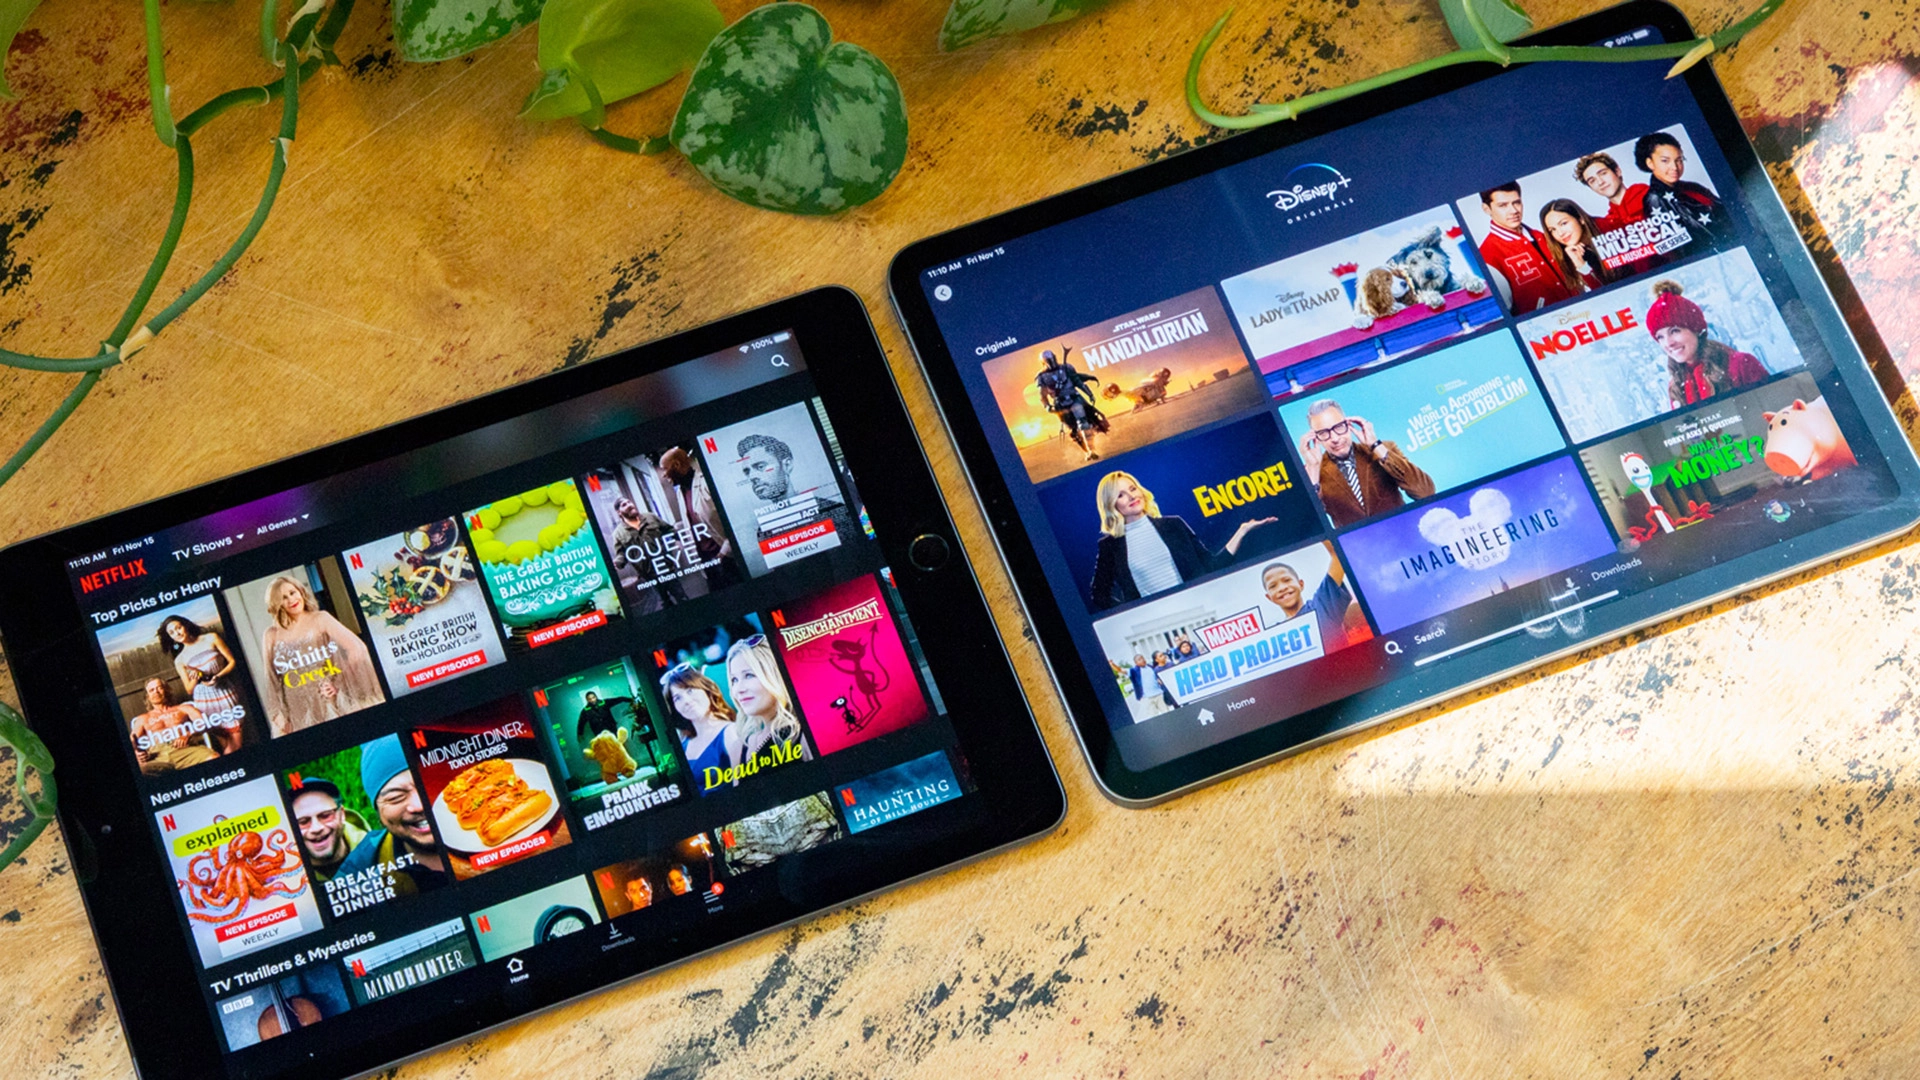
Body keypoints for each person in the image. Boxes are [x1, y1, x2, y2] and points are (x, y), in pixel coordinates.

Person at [1086, 471, 1276, 610]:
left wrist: (1242, 531)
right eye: (1120, 495)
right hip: (1161, 622)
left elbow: (1210, 565)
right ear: (1111, 505)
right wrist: (1132, 611)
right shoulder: (1109, 546)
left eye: (1132, 489)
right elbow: (1099, 594)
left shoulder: (1173, 525)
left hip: (1202, 606)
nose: (1131, 496)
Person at [257, 574, 385, 735]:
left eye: (292, 592)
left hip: (327, 702)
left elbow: (357, 649)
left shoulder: (321, 618)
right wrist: (277, 715)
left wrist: (338, 682)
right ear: (276, 603)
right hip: (296, 710)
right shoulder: (271, 635)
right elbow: (271, 678)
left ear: (300, 591)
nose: (291, 600)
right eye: (283, 597)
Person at [1297, 400, 1435, 528]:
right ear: (1315, 438)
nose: (1334, 438)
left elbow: (1426, 492)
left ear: (1348, 424)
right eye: (1323, 433)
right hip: (1359, 544)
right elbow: (1311, 527)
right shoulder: (1312, 473)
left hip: (1404, 532)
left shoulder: (1384, 449)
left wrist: (1375, 445)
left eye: (1338, 427)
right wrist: (1313, 472)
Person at [335, 736, 446, 894]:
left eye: (429, 783)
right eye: (396, 797)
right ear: (378, 811)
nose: (420, 805)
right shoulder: (357, 875)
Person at [1644, 280, 1768, 407]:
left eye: (1675, 331)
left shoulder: (1741, 364)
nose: (1668, 343)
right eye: (1660, 337)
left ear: (1695, 329)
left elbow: (1773, 407)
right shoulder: (1675, 386)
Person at [734, 431, 857, 546]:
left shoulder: (834, 511)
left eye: (761, 466)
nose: (752, 477)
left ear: (787, 465)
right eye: (747, 472)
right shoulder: (764, 532)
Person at [1477, 182, 1575, 313]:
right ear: (1487, 209)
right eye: (1503, 205)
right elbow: (1504, 310)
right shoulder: (1487, 255)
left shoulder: (1542, 236)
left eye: (1516, 202)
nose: (1514, 211)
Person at [158, 615, 248, 750]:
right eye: (172, 633)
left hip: (225, 691)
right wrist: (195, 677)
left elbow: (232, 661)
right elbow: (189, 689)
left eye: (178, 628)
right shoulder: (180, 659)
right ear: (171, 637)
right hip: (204, 700)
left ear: (186, 625)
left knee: (236, 742)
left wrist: (218, 676)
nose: (177, 633)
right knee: (225, 743)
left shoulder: (211, 638)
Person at [1635, 131, 1733, 250]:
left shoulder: (1693, 187)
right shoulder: (1654, 199)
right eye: (1665, 161)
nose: (1675, 167)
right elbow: (1679, 246)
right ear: (1650, 163)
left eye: (1679, 160)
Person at [656, 446, 738, 586]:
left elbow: (734, 519)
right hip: (706, 562)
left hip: (728, 558)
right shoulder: (680, 492)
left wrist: (724, 553)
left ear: (676, 465)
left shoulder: (707, 482)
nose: (663, 475)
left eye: (664, 469)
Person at [726, 634, 811, 766]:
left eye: (749, 675)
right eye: (734, 680)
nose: (738, 689)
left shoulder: (803, 735)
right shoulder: (738, 749)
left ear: (776, 675)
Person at [1261, 545, 1361, 653]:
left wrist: (1314, 532)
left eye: (1287, 580)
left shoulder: (1322, 605)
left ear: (1301, 584)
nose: (1282, 588)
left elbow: (1337, 554)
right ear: (1269, 597)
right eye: (1273, 586)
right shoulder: (1274, 635)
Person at [1575, 150, 1660, 276]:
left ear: (1617, 171)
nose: (1600, 182)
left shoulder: (1650, 195)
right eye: (1592, 181)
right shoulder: (1608, 224)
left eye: (1603, 173)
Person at [661, 662, 737, 792]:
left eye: (690, 691)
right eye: (677, 698)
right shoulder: (683, 743)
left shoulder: (730, 733)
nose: (686, 701)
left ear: (707, 690)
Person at [128, 677, 219, 775]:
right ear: (147, 697)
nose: (156, 692)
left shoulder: (183, 708)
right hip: (157, 755)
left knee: (213, 757)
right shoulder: (143, 719)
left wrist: (188, 734)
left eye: (159, 688)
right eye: (151, 690)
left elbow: (204, 722)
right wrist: (136, 754)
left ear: (166, 690)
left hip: (185, 750)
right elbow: (131, 741)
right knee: (141, 771)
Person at [608, 496, 687, 607]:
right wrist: (617, 562)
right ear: (619, 512)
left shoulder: (650, 517)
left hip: (666, 567)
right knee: (664, 603)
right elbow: (622, 553)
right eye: (624, 505)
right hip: (649, 575)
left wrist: (681, 539)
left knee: (681, 597)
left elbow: (669, 530)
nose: (629, 505)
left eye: (629, 502)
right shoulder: (618, 533)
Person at [1034, 347, 1109, 462]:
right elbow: (1042, 395)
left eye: (1052, 359)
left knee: (1083, 423)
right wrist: (1047, 406)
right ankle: (1087, 451)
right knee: (1073, 430)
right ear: (1043, 362)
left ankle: (1092, 450)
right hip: (1060, 404)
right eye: (1048, 360)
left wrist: (1089, 393)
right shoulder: (1041, 376)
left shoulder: (1067, 368)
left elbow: (1077, 381)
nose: (1051, 362)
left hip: (1075, 399)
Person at [288, 779, 366, 884]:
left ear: (342, 814)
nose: (316, 828)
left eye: (325, 816)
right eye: (303, 822)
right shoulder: (288, 881)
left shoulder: (379, 850)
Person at [1539, 198, 1615, 293]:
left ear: (1580, 219)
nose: (1560, 233)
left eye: (1563, 223)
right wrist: (1581, 266)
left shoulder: (1608, 229)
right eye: (1552, 230)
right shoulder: (1568, 256)